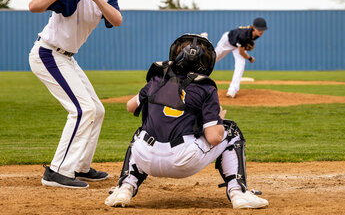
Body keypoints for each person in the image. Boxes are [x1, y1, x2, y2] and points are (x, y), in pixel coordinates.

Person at [104, 33, 268, 209]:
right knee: (232, 131)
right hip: (183, 160)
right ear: (206, 62)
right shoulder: (205, 86)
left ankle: (124, 188)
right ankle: (239, 193)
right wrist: (218, 118)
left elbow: (130, 106)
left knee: (140, 134)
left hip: (145, 157)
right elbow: (213, 138)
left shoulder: (158, 78)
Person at [28, 0, 126, 189]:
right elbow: (34, 5)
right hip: (48, 53)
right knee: (83, 110)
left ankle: (81, 166)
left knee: (97, 110)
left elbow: (117, 20)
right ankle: (57, 171)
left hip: (68, 58)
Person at [214, 17, 268, 98]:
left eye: (263, 29)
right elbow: (241, 52)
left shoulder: (256, 34)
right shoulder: (244, 35)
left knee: (241, 64)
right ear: (253, 27)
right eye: (259, 29)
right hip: (227, 41)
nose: (261, 31)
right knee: (213, 58)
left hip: (237, 45)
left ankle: (232, 90)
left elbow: (241, 47)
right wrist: (249, 58)